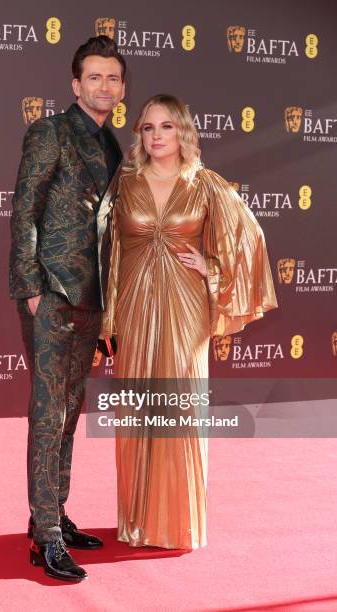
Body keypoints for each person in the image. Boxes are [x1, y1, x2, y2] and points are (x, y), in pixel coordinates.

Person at [102, 94, 278, 550]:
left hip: (185, 308)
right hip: (135, 306)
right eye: (147, 128)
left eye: (166, 127)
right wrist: (107, 317)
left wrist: (212, 267)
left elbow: (249, 240)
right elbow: (110, 251)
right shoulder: (124, 182)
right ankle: (137, 520)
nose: (157, 136)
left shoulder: (206, 184)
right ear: (139, 133)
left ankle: (177, 521)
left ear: (183, 131)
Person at [9, 36, 125, 581]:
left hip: (92, 300)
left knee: (70, 411)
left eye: (113, 78)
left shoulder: (116, 147)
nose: (104, 86)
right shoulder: (49, 132)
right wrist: (31, 287)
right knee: (48, 413)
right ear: (75, 84)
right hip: (51, 294)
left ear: (122, 89)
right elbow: (24, 211)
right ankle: (46, 538)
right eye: (94, 77)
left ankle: (55, 514)